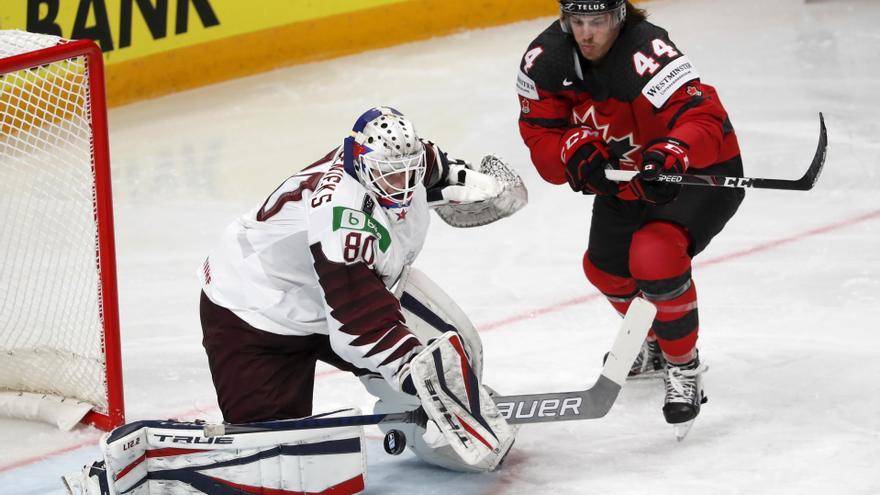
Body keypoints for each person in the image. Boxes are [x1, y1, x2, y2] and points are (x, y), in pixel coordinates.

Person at [198, 106, 523, 470]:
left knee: (454, 351)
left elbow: (431, 164)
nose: (403, 184)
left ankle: (420, 420)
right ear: (362, 167)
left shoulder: (402, 161)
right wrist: (419, 376)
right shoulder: (342, 218)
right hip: (256, 314)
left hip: (343, 288)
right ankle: (425, 404)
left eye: (409, 173)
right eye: (391, 176)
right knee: (274, 462)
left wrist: (462, 178)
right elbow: (359, 326)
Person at [516, 0, 744, 433]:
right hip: (628, 177)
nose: (586, 34)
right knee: (603, 269)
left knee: (655, 254)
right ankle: (658, 339)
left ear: (619, 16)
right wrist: (572, 152)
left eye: (597, 21)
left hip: (697, 172)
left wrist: (675, 150)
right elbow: (541, 137)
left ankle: (684, 365)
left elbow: (704, 116)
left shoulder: (646, 50)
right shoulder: (544, 60)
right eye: (576, 21)